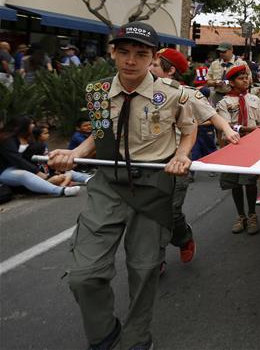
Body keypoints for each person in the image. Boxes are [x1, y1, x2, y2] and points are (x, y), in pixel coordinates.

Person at [47, 22, 196, 350]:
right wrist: (74, 153)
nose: (131, 60)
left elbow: (188, 129)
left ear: (153, 57)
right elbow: (99, 136)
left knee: (144, 269)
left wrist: (182, 156)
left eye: (141, 54)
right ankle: (103, 334)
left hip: (154, 185)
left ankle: (138, 338)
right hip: (109, 183)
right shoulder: (98, 92)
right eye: (124, 52)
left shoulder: (171, 94)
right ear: (112, 52)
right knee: (83, 275)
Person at [151, 48, 240, 267]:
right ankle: (155, 259)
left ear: (170, 70)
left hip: (177, 161)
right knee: (150, 214)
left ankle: (183, 237)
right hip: (147, 161)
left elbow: (213, 116)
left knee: (171, 212)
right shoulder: (140, 92)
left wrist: (228, 131)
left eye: (154, 65)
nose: (149, 68)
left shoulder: (188, 94)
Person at [216, 65, 260, 234]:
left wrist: (257, 136)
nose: (245, 80)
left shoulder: (254, 100)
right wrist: (246, 129)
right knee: (234, 183)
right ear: (231, 82)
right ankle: (240, 215)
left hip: (251, 147)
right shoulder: (224, 102)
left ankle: (252, 215)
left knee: (250, 182)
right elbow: (226, 125)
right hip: (232, 147)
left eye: (247, 77)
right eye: (241, 78)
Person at [1, 116, 82, 196]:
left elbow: (32, 154)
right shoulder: (7, 139)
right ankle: (59, 191)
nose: (33, 125)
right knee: (23, 175)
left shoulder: (27, 138)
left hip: (24, 167)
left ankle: (88, 178)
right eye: (31, 123)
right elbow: (16, 159)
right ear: (23, 126)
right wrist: (37, 172)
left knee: (67, 172)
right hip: (5, 170)